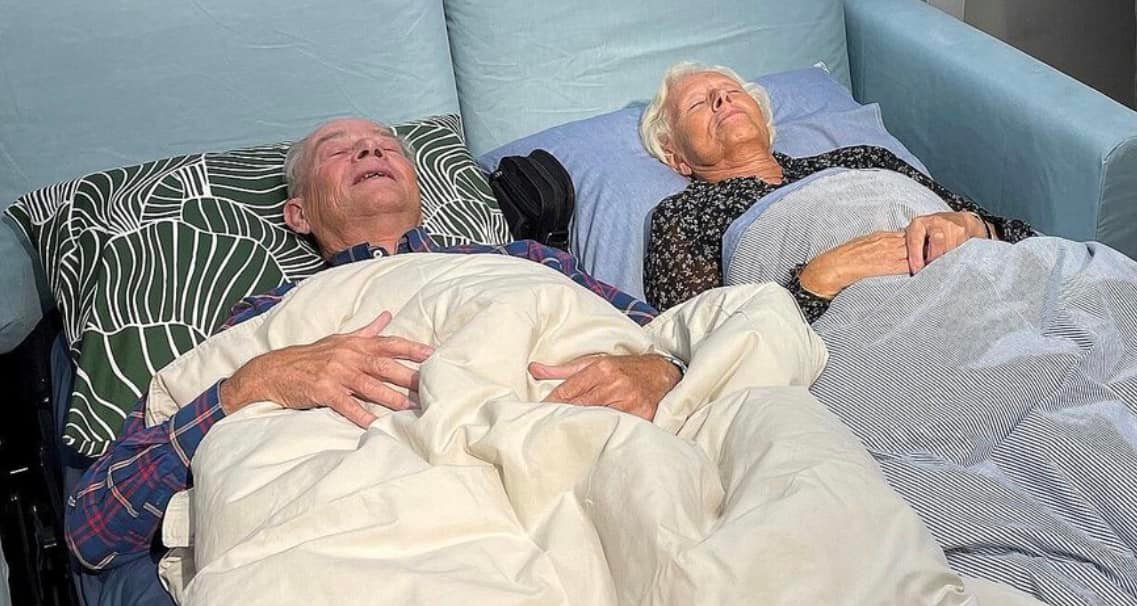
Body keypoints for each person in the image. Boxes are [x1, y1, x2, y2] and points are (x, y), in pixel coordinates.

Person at [65, 117, 683, 572]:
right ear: (298, 214)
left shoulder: (526, 260)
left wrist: (662, 370)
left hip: (584, 467)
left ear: (417, 187)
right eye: (339, 150)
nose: (370, 149)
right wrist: (252, 383)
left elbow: (683, 336)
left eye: (387, 146)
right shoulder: (269, 320)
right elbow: (94, 527)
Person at [638, 61, 1033, 316]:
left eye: (733, 91)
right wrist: (820, 278)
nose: (721, 98)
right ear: (676, 157)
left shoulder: (864, 157)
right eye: (698, 104)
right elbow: (700, 351)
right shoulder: (683, 215)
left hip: (991, 283)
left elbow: (1018, 235)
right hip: (882, 329)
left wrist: (972, 226)